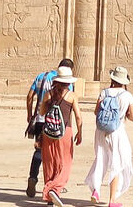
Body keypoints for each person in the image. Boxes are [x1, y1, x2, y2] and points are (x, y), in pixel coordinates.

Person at [85, 66, 133, 207]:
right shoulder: (127, 96)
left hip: (101, 130)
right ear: (124, 81)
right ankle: (112, 199)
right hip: (117, 131)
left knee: (101, 159)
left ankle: (96, 190)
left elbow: (96, 111)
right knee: (117, 163)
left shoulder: (104, 93)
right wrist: (123, 113)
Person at [25, 58, 74, 198]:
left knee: (39, 151)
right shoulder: (66, 83)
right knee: (56, 156)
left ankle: (33, 177)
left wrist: (29, 114)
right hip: (58, 124)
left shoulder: (41, 76)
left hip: (41, 120)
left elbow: (29, 96)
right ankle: (54, 185)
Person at [39, 66, 82, 207]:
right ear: (68, 82)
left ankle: (49, 197)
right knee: (65, 163)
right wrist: (80, 132)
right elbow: (78, 116)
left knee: (49, 163)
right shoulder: (71, 96)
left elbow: (42, 112)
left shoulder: (48, 94)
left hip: (48, 132)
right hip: (65, 132)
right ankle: (55, 189)